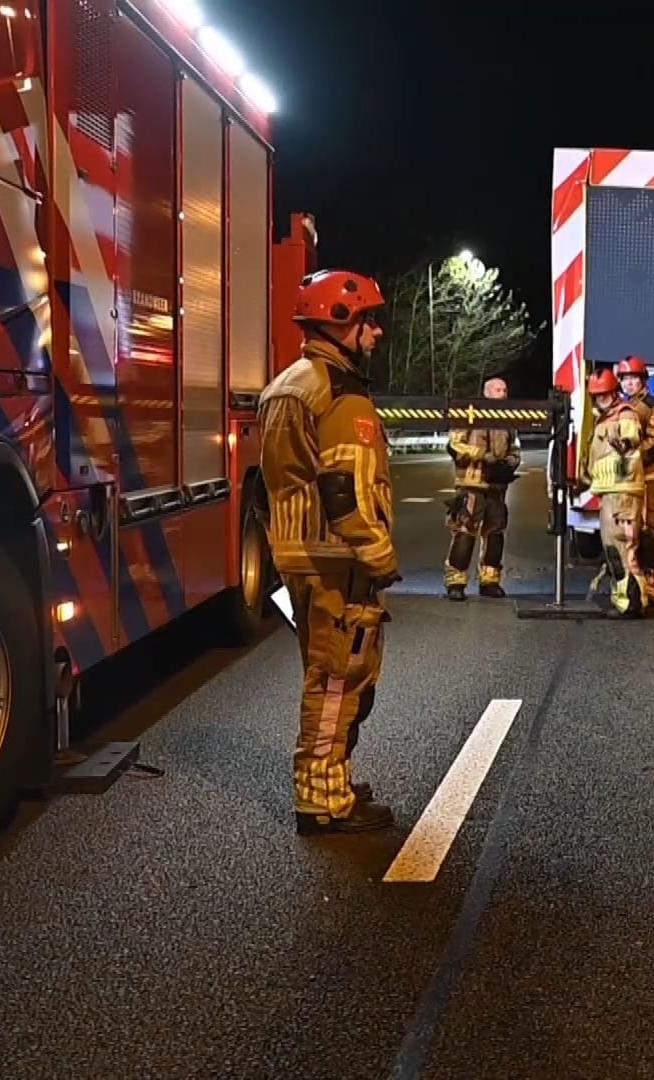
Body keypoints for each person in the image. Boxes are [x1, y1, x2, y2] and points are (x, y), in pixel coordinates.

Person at [258, 269, 399, 835]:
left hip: (303, 553)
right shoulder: (339, 391)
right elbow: (346, 486)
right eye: (368, 321)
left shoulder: (291, 382)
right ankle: (322, 799)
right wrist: (378, 553)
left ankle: (332, 778)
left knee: (330, 674)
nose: (376, 334)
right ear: (339, 323)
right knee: (338, 680)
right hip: (336, 559)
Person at [443, 375, 521, 601]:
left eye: (505, 390)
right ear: (486, 392)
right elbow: (456, 444)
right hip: (472, 482)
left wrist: (511, 462)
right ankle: (455, 581)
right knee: (466, 530)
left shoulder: (508, 419)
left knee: (495, 533)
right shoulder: (469, 413)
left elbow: (514, 446)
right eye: (498, 390)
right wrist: (483, 457)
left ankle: (490, 581)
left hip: (497, 486)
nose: (503, 394)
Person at [586, 368, 650, 617]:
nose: (601, 398)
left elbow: (631, 438)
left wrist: (623, 442)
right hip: (612, 489)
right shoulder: (605, 417)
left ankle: (631, 603)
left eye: (605, 394)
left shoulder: (624, 414)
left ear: (614, 392)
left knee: (622, 546)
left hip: (622, 490)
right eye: (597, 395)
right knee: (615, 547)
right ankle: (624, 599)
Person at [617, 356, 654, 604]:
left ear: (643, 380)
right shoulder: (626, 407)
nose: (629, 384)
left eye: (633, 379)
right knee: (638, 531)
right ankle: (645, 580)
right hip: (636, 480)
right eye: (625, 379)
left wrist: (634, 460)